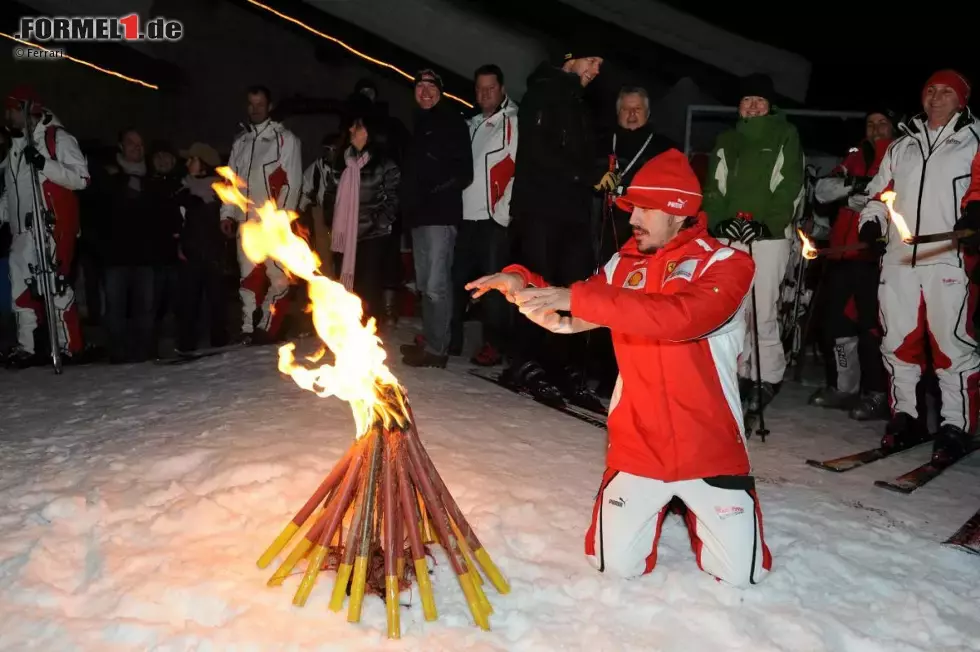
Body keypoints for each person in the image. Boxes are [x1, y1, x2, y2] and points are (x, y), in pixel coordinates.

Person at [466, 149, 771, 587]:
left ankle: (702, 507)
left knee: (742, 577)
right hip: (639, 448)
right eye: (631, 207)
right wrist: (522, 285)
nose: (633, 219)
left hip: (710, 448)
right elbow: (566, 315)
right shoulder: (621, 265)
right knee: (615, 567)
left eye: (646, 208)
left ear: (679, 211)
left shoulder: (728, 265)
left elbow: (680, 319)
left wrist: (578, 298)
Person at [858, 69, 980, 462]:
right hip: (898, 259)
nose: (937, 97)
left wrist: (975, 216)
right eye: (931, 90)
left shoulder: (975, 140)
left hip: (948, 257)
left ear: (962, 99)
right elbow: (877, 193)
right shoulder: (901, 146)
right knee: (897, 343)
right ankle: (906, 417)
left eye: (947, 91)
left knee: (952, 346)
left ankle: (955, 424)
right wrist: (872, 221)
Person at [504, 43, 605, 409]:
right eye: (592, 59)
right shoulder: (542, 93)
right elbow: (540, 152)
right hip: (540, 209)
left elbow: (581, 154)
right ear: (570, 56)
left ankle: (561, 367)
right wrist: (586, 172)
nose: (596, 68)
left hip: (573, 211)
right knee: (539, 281)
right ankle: (525, 363)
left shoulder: (579, 100)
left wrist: (599, 171)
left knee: (573, 285)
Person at [702, 74, 805, 414]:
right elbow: (713, 188)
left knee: (762, 308)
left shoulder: (784, 135)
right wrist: (719, 221)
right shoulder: (726, 139)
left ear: (769, 105)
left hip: (768, 237)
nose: (753, 105)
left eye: (760, 101)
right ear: (739, 106)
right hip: (730, 235)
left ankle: (767, 375)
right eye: (747, 100)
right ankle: (736, 370)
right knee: (731, 308)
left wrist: (768, 224)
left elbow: (789, 184)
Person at [808, 109, 897, 421]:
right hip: (841, 253)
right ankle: (843, 387)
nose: (875, 129)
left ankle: (878, 393)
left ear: (894, 125)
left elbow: (897, 198)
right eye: (870, 123)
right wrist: (856, 187)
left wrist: (859, 190)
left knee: (873, 328)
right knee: (836, 325)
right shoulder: (856, 154)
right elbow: (824, 189)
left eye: (882, 123)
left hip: (876, 256)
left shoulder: (903, 153)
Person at [1, 85, 89, 368]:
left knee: (56, 286)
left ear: (27, 110)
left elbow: (81, 179)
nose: (7, 115)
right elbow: (14, 191)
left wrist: (44, 163)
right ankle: (26, 347)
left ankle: (70, 346)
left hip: (50, 226)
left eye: (12, 110)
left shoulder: (56, 139)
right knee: (20, 291)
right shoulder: (15, 147)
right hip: (21, 231)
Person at [398, 69, 473, 368]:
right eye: (420, 86)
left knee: (435, 285)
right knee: (424, 285)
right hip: (419, 217)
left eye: (431, 86)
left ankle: (438, 350)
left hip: (440, 215)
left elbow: (463, 172)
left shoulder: (451, 121)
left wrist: (433, 189)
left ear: (441, 91)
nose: (425, 91)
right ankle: (431, 343)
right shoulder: (419, 123)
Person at [220, 84, 303, 345]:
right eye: (251, 104)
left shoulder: (285, 139)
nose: (255, 109)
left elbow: (293, 182)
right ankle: (247, 329)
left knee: (279, 277)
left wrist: (280, 219)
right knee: (247, 278)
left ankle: (267, 326)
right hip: (247, 224)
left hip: (273, 223)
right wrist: (227, 213)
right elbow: (230, 182)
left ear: (269, 106)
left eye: (260, 104)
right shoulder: (240, 142)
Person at [454, 63, 519, 367]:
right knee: (458, 281)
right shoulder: (471, 123)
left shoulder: (513, 123)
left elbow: (519, 171)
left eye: (491, 88)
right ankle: (450, 338)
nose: (485, 94)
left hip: (492, 220)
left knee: (494, 288)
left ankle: (496, 345)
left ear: (502, 89)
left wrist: (502, 212)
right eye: (480, 88)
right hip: (465, 218)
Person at [330, 109, 400, 326]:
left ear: (370, 132)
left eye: (357, 126)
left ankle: (367, 333)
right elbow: (330, 194)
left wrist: (378, 223)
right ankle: (347, 331)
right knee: (346, 288)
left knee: (368, 290)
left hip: (373, 237)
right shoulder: (342, 161)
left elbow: (394, 198)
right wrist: (331, 220)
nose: (351, 130)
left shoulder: (385, 164)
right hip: (344, 238)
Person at [173, 142, 229, 354]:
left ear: (204, 164)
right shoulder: (182, 188)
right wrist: (179, 245)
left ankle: (219, 343)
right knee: (188, 302)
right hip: (191, 254)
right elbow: (178, 222)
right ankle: (186, 346)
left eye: (192, 159)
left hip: (214, 254)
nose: (187, 163)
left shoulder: (222, 191)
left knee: (217, 301)